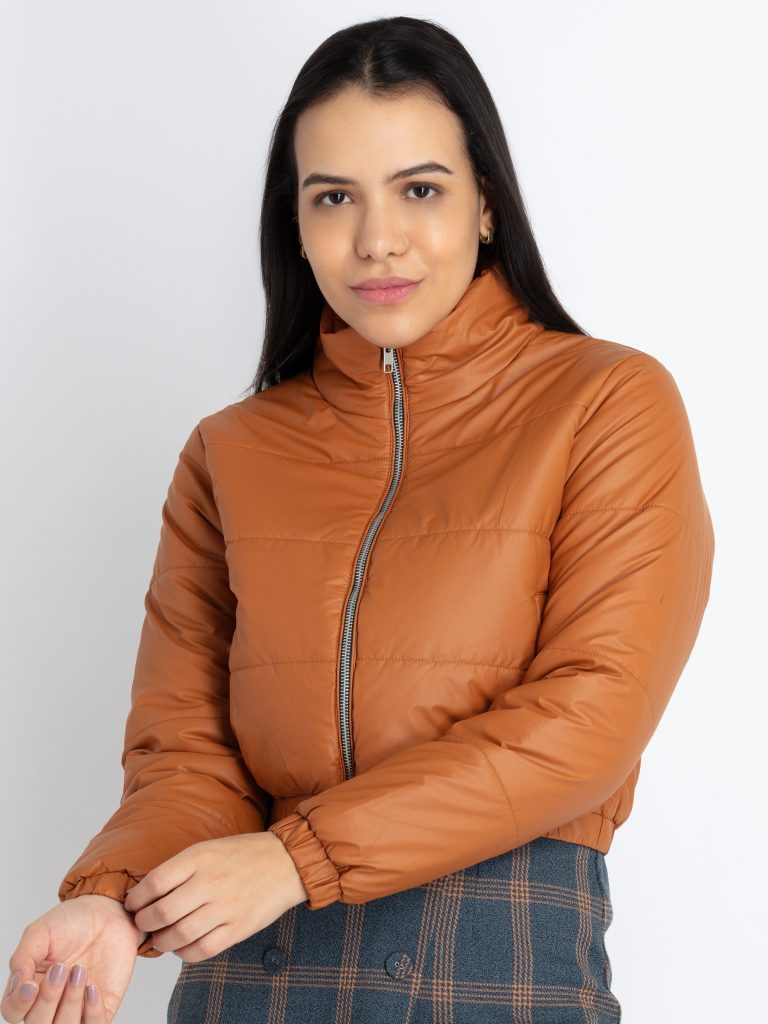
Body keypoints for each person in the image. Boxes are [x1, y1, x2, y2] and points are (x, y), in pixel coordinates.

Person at [3, 15, 715, 1024]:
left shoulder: (606, 402)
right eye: (333, 197)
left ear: (485, 204)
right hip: (247, 969)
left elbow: (589, 718)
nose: (376, 238)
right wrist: (113, 898)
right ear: (294, 222)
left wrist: (296, 859)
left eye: (419, 189)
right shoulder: (231, 450)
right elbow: (187, 755)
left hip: (489, 962)